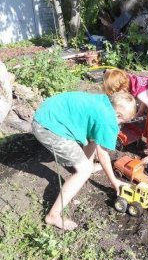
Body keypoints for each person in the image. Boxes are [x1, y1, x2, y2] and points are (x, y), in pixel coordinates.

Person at [32, 91, 136, 231]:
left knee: (92, 139)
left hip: (47, 115)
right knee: (84, 171)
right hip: (48, 128)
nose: (120, 125)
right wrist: (114, 182)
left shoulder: (103, 103)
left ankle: (85, 165)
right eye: (122, 121)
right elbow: (103, 154)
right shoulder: (106, 118)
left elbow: (94, 138)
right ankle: (53, 216)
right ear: (118, 115)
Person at [103, 69, 148, 164]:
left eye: (117, 92)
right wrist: (140, 112)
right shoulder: (135, 82)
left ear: (122, 88)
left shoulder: (140, 93)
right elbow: (146, 95)